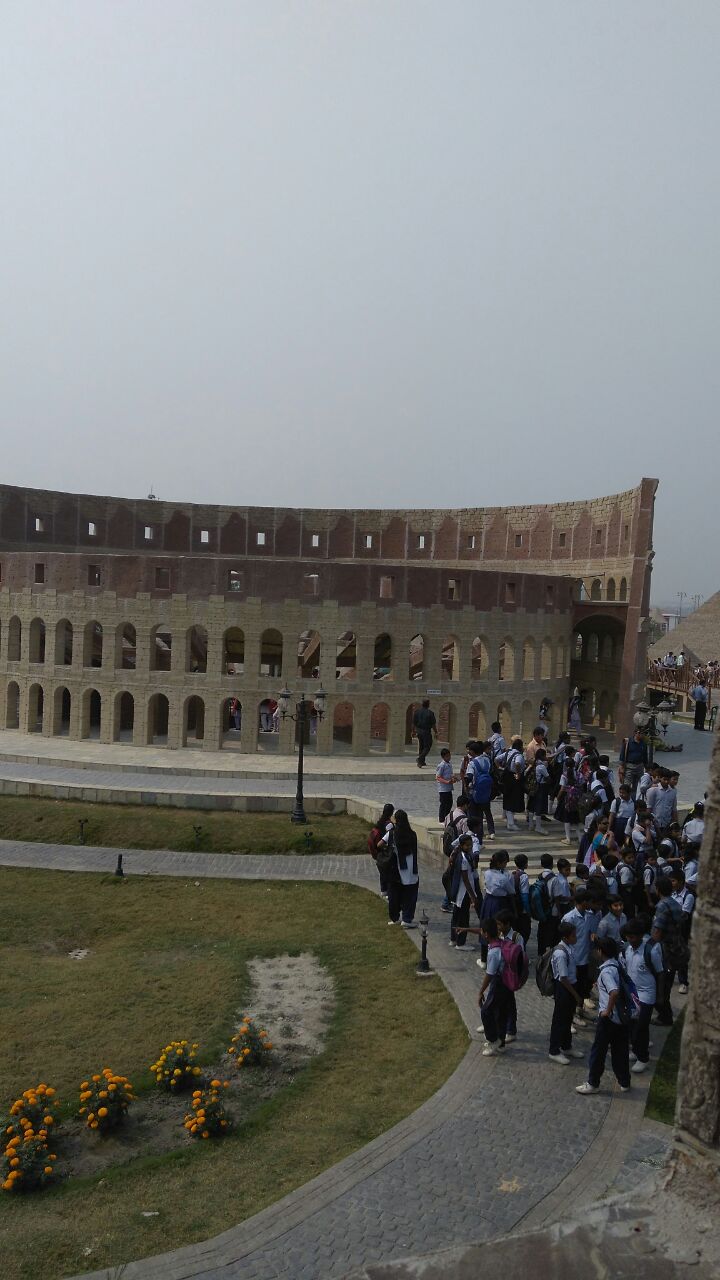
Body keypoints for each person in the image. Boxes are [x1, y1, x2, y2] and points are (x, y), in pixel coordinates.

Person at [576, 938, 632, 1095]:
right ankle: (624, 1081)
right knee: (620, 1051)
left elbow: (614, 992)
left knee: (598, 1052)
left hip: (609, 1018)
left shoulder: (606, 971)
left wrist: (607, 1011)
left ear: (601, 952)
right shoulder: (617, 965)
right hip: (622, 1017)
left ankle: (593, 1083)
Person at [621, 918, 664, 1074]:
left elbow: (660, 973)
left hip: (646, 995)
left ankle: (643, 1058)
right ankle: (635, 1050)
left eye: (633, 937)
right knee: (632, 1025)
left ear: (640, 936)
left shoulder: (650, 951)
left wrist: (660, 996)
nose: (630, 940)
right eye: (628, 937)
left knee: (641, 1027)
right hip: (632, 995)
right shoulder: (626, 950)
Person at [562, 887, 601, 1024]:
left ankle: (579, 1010)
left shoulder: (589, 916)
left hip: (585, 959)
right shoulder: (569, 918)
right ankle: (571, 1016)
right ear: (584, 902)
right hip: (574, 960)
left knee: (583, 988)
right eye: (589, 901)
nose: (591, 904)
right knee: (573, 990)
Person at [548, 921, 585, 1065]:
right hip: (564, 989)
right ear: (565, 937)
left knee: (567, 1019)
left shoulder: (569, 948)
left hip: (570, 986)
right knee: (559, 1020)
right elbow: (563, 978)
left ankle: (566, 1046)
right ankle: (554, 1050)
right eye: (573, 935)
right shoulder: (560, 953)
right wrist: (576, 995)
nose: (576, 937)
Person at [652, 875, 686, 1025]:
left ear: (658, 889)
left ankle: (665, 1016)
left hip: (664, 951)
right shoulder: (676, 904)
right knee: (666, 984)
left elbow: (657, 932)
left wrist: (650, 948)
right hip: (675, 949)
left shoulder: (662, 906)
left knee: (660, 987)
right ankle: (665, 1014)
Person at [477, 919, 511, 1055]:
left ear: (486, 934)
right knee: (501, 1013)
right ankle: (501, 1042)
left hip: (499, 984)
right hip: (507, 982)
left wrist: (481, 991)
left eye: (482, 931)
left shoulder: (493, 952)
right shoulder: (502, 942)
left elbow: (489, 974)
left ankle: (493, 1040)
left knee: (486, 1011)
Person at [380, 810, 419, 928]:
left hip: (395, 870)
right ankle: (407, 919)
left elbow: (379, 844)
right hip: (411, 870)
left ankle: (395, 918)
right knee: (410, 896)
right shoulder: (412, 834)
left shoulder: (392, 834)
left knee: (394, 895)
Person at [477, 850, 515, 968]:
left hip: (488, 901)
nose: (505, 865)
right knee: (499, 928)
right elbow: (511, 891)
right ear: (499, 863)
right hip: (500, 903)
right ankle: (501, 957)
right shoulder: (504, 877)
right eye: (504, 863)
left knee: (486, 926)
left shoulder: (487, 873)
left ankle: (484, 959)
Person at [496, 908, 526, 1042]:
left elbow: (520, 957)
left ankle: (511, 1030)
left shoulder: (516, 937)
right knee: (495, 999)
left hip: (509, 975)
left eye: (500, 924)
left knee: (509, 1002)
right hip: (498, 972)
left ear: (507, 924)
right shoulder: (498, 934)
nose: (498, 927)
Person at [449, 832, 481, 949]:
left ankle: (453, 938)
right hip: (463, 892)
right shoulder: (463, 859)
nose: (470, 847)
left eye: (471, 845)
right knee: (463, 918)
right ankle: (461, 943)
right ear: (462, 845)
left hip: (461, 892)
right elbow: (466, 880)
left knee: (456, 916)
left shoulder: (464, 855)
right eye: (467, 845)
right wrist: (473, 896)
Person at [367, 803, 394, 897]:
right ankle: (388, 892)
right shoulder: (389, 824)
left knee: (382, 871)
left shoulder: (380, 821)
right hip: (386, 851)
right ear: (391, 813)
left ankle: (383, 890)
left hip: (378, 851)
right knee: (389, 872)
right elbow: (390, 837)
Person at [500, 737, 525, 831]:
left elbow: (497, 759)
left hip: (507, 778)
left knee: (508, 799)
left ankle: (510, 820)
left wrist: (500, 769)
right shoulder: (518, 755)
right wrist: (518, 773)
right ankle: (510, 823)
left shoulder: (508, 752)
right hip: (514, 779)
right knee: (513, 799)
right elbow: (518, 763)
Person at [554, 760, 581, 846]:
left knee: (567, 818)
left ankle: (568, 838)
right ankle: (580, 838)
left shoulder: (564, 775)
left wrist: (558, 797)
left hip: (567, 798)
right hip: (576, 798)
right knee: (575, 819)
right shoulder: (579, 774)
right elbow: (582, 785)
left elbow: (562, 789)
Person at [618, 728, 648, 797]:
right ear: (635, 733)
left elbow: (645, 756)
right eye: (640, 733)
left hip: (639, 766)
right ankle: (624, 798)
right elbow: (622, 754)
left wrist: (646, 767)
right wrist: (621, 766)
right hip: (629, 766)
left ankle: (634, 799)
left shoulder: (643, 743)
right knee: (627, 785)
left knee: (637, 785)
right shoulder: (628, 742)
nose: (641, 735)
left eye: (643, 733)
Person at [512, 853, 531, 943]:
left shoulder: (513, 874)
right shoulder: (524, 876)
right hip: (522, 909)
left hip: (515, 907)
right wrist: (528, 910)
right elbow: (524, 896)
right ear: (525, 864)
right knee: (524, 932)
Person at [412, 700, 437, 767]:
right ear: (428, 705)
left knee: (421, 746)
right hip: (426, 731)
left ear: (422, 704)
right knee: (427, 746)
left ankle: (421, 762)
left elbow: (414, 723)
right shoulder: (430, 713)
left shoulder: (417, 712)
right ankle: (420, 759)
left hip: (419, 731)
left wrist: (413, 731)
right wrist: (436, 732)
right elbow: (433, 724)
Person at [435, 748, 456, 822]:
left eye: (449, 755)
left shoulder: (449, 764)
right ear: (443, 757)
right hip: (443, 788)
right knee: (443, 804)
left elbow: (450, 774)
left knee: (449, 803)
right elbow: (438, 777)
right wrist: (446, 782)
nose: (449, 757)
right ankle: (441, 818)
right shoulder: (441, 765)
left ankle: (446, 816)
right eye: (447, 756)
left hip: (449, 788)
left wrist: (453, 778)